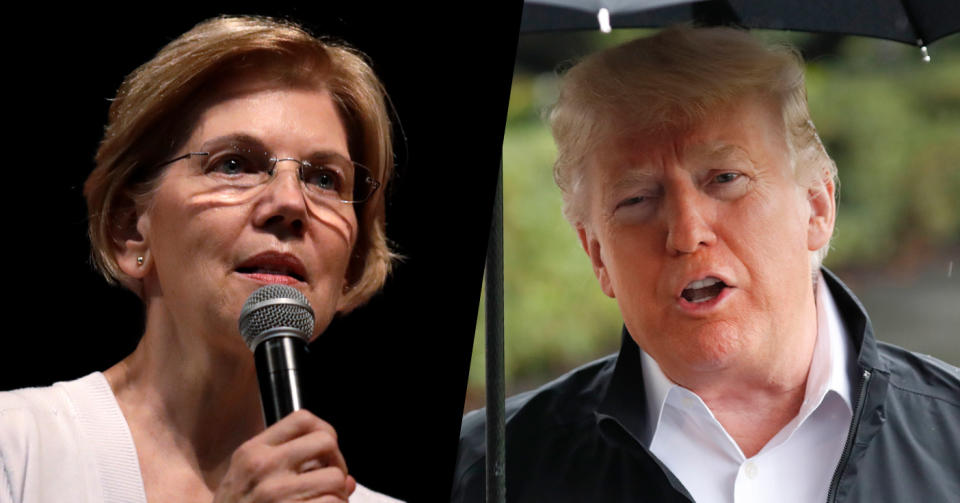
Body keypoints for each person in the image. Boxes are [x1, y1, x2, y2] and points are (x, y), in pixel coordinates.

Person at [453, 25, 960, 502]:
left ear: (817, 207)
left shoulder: (951, 436)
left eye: (725, 178)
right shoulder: (484, 471)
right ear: (597, 255)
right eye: (636, 199)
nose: (686, 233)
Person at [0, 15, 403, 503]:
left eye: (323, 179)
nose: (292, 204)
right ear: (130, 229)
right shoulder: (18, 450)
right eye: (234, 164)